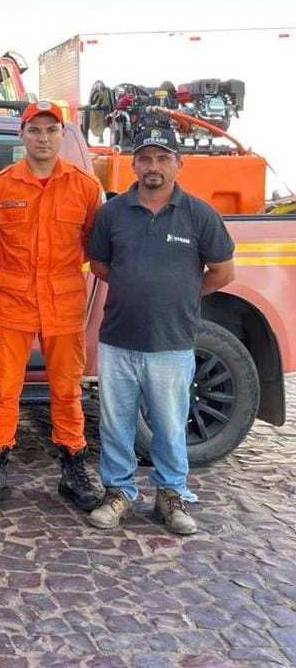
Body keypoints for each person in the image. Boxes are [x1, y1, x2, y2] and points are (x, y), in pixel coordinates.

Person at [86, 127, 235, 534]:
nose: (154, 166)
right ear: (134, 165)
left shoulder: (199, 214)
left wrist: (181, 293)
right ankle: (118, 493)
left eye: (163, 158)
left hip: (172, 341)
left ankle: (171, 495)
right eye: (146, 158)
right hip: (118, 338)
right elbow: (99, 264)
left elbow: (223, 272)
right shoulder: (112, 214)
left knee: (169, 426)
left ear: (178, 164)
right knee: (115, 425)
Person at [0, 101, 102, 513]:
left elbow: (93, 243)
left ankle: (73, 469)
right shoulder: (1, 186)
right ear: (22, 135)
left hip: (64, 303)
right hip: (12, 302)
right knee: (4, 390)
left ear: (62, 135)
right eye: (35, 130)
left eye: (51, 130)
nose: (43, 138)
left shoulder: (84, 187)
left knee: (66, 391)